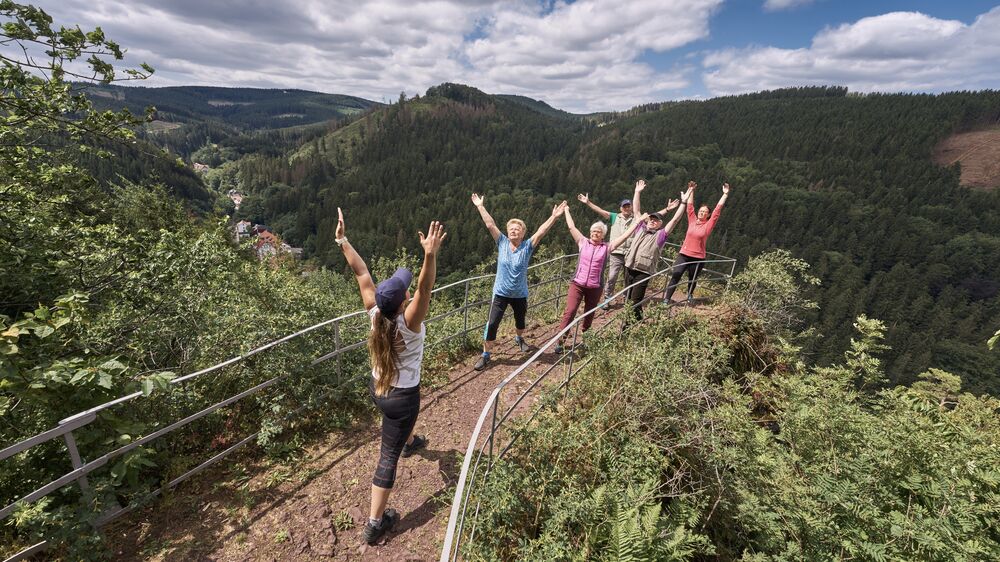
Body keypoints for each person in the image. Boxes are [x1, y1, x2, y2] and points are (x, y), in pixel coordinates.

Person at [336, 207, 447, 545]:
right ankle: (374, 522)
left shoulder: (376, 315)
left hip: (379, 389)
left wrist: (342, 240)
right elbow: (426, 290)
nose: (409, 289)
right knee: (387, 456)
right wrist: (429, 256)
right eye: (405, 289)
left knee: (398, 430)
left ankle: (410, 441)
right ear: (402, 304)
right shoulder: (409, 324)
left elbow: (361, 273)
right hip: (402, 398)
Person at [471, 193, 567, 370]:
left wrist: (553, 217)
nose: (514, 231)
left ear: (523, 233)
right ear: (508, 232)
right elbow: (490, 224)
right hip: (500, 293)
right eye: (511, 228)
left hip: (520, 294)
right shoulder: (501, 242)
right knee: (492, 324)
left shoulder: (527, 246)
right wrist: (480, 206)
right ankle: (485, 355)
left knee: (520, 322)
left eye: (518, 229)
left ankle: (519, 337)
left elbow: (541, 231)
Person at [552, 205, 633, 353]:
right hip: (577, 284)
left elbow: (626, 236)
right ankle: (561, 341)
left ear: (603, 235)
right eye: (593, 231)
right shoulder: (582, 242)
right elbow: (572, 227)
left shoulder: (607, 247)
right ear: (590, 233)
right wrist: (567, 211)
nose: (595, 233)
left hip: (595, 287)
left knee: (589, 314)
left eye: (599, 232)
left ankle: (586, 339)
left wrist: (638, 222)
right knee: (570, 311)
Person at [612, 181, 693, 321]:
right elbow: (637, 211)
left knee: (634, 300)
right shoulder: (640, 228)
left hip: (643, 272)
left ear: (660, 224)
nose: (653, 221)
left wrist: (683, 203)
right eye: (651, 219)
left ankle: (627, 326)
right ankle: (639, 319)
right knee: (628, 297)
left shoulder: (660, 235)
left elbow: (674, 220)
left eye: (656, 220)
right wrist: (637, 192)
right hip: (629, 267)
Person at [663, 182, 730, 304]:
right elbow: (690, 206)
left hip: (698, 258)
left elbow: (717, 211)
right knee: (676, 275)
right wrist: (692, 190)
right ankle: (666, 299)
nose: (702, 213)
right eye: (701, 211)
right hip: (684, 254)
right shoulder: (692, 220)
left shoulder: (708, 225)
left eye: (705, 212)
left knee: (692, 279)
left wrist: (725, 194)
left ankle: (689, 296)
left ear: (708, 215)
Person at [577, 187, 637, 305]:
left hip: (630, 252)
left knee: (628, 278)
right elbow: (600, 210)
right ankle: (607, 298)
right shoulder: (615, 217)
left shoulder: (636, 219)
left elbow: (651, 218)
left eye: (628, 206)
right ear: (621, 208)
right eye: (624, 206)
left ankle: (627, 299)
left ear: (631, 208)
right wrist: (588, 202)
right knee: (612, 277)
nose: (626, 208)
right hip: (616, 252)